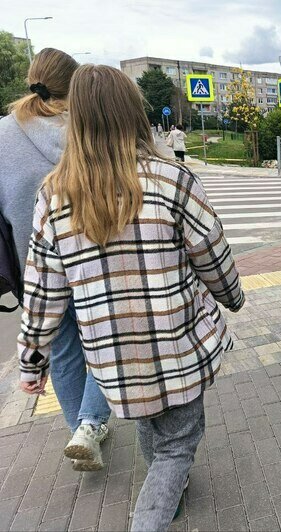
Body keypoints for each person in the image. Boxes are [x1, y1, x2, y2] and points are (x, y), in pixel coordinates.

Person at [17, 64, 245, 531]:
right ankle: (153, 514)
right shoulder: (171, 181)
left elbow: (42, 294)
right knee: (178, 443)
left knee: (149, 424)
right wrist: (232, 298)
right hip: (176, 348)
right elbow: (213, 256)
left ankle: (171, 488)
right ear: (134, 115)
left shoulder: (55, 197)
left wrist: (30, 361)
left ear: (75, 121)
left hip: (113, 361)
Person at [0, 48, 112, 471]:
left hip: (35, 267)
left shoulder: (2, 135)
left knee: (64, 352)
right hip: (94, 262)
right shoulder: (86, 132)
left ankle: (82, 432)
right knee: (106, 342)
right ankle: (90, 424)